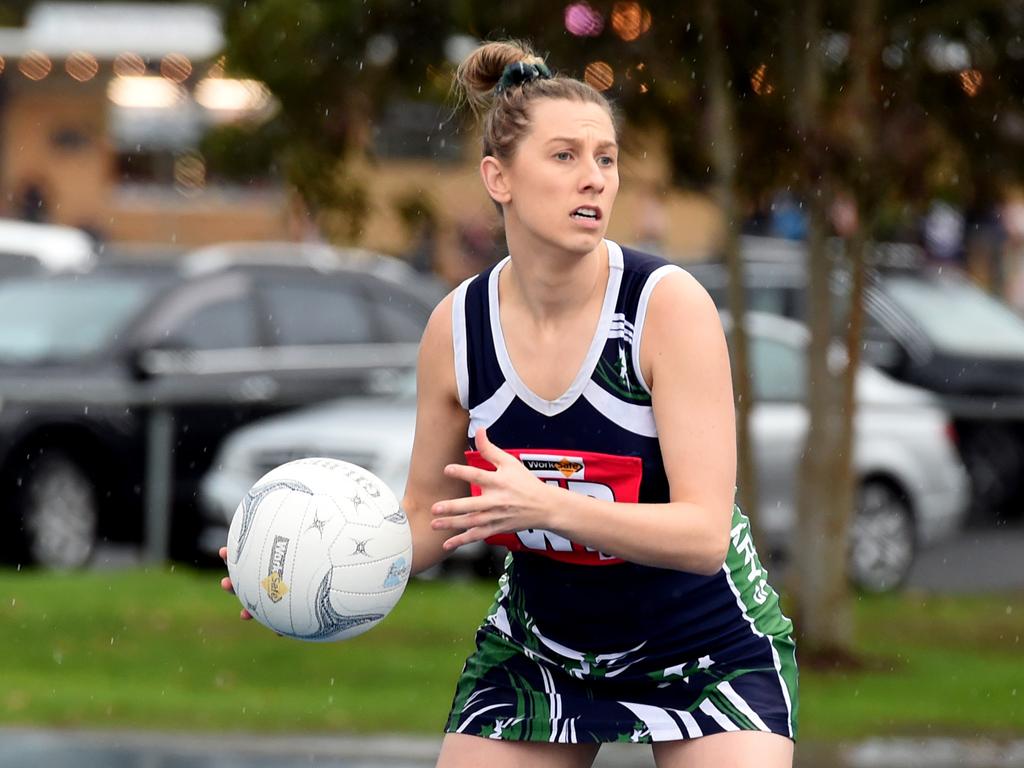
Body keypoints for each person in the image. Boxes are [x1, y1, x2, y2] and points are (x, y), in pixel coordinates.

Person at [222, 38, 797, 768]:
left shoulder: (664, 307)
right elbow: (427, 517)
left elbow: (703, 534)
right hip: (542, 651)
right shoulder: (458, 330)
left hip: (706, 650)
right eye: (564, 157)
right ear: (499, 177)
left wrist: (549, 506)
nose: (593, 179)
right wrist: (306, 565)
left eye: (606, 158)